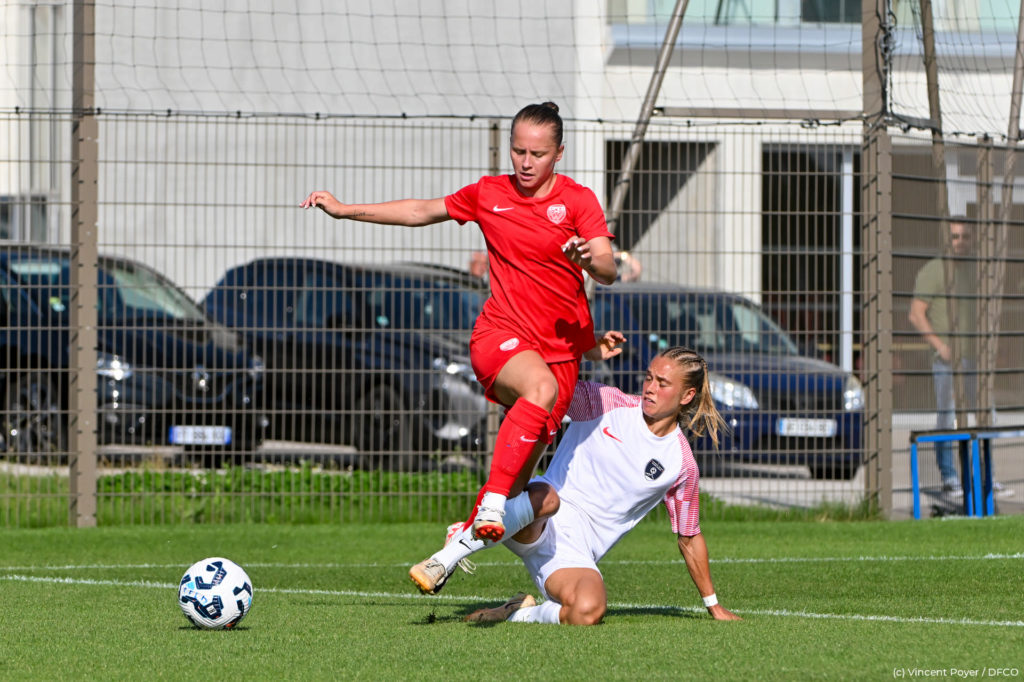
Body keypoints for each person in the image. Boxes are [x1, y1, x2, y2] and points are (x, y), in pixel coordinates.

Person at [302, 101, 617, 542]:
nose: (526, 163)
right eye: (518, 151)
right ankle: (489, 504)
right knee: (538, 390)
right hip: (500, 335)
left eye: (538, 154)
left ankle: (452, 550)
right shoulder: (489, 194)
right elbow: (418, 211)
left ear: (559, 154)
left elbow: (607, 267)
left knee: (515, 493)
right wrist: (344, 209)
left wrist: (589, 259)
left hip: (559, 354)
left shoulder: (578, 200)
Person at [414, 346, 741, 626]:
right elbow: (545, 389)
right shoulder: (607, 402)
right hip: (532, 514)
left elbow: (689, 536)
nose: (650, 388)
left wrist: (713, 604)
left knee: (589, 610)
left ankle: (518, 612)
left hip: (572, 553)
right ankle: (451, 552)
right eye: (649, 378)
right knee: (549, 497)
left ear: (687, 396)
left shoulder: (681, 464)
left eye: (663, 383)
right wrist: (581, 349)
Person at [909, 219, 1009, 497]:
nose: (960, 242)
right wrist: (940, 346)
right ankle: (950, 478)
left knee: (986, 417)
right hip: (947, 362)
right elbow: (916, 314)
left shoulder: (977, 270)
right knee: (949, 418)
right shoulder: (933, 271)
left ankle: (986, 478)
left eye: (965, 237)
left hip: (976, 361)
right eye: (955, 237)